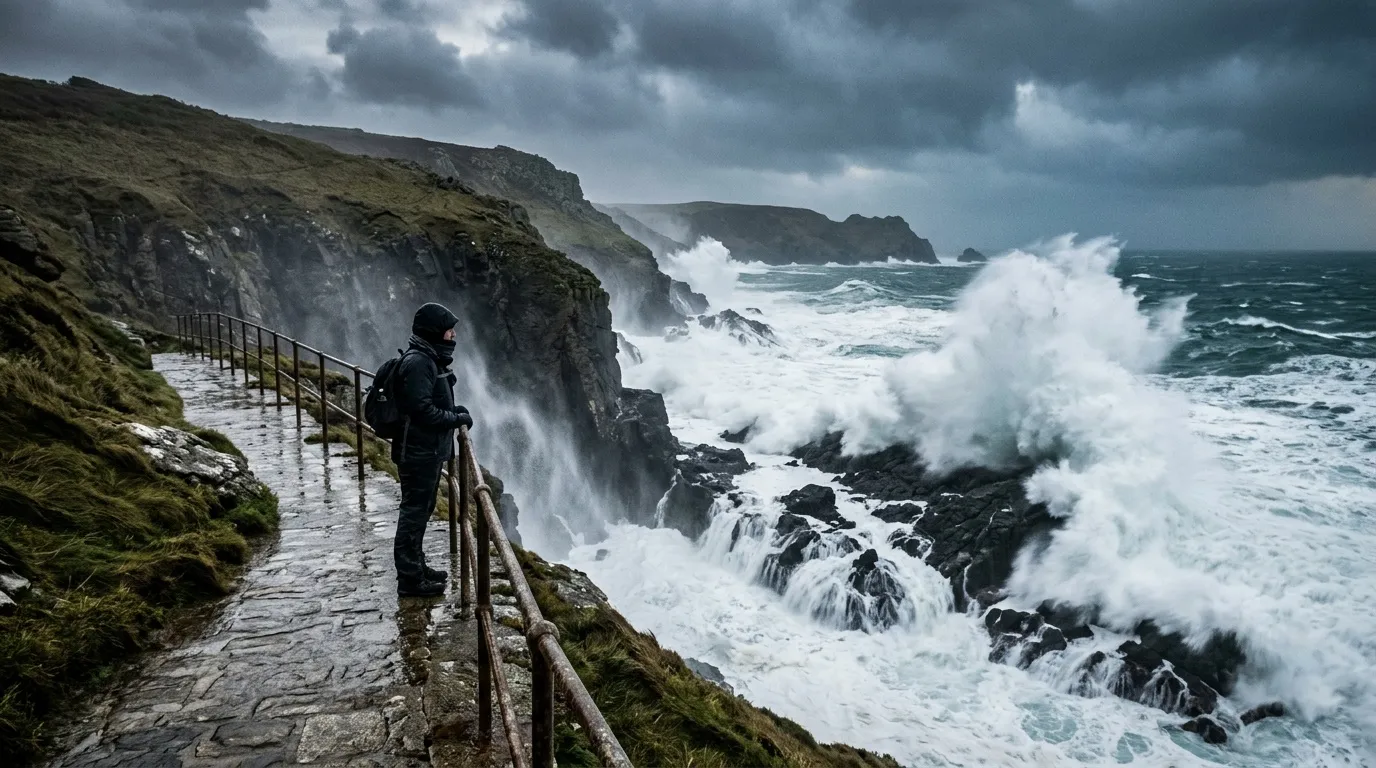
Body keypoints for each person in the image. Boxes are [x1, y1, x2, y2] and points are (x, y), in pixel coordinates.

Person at [391, 302, 473, 597]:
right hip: (417, 452)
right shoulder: (419, 363)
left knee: (422, 510)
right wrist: (457, 418)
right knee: (414, 513)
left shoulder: (427, 358)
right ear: (435, 332)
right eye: (449, 331)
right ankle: (410, 580)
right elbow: (422, 410)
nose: (453, 336)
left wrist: (454, 410)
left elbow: (428, 403)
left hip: (424, 451)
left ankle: (417, 567)